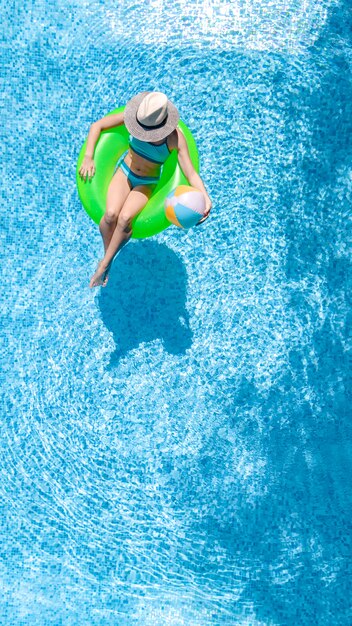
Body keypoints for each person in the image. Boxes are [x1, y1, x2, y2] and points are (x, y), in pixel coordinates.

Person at [78, 91, 212, 288]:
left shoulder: (174, 138)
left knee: (124, 219)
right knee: (110, 215)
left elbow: (190, 173)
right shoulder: (134, 119)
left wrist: (205, 197)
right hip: (125, 172)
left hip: (146, 183)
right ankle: (108, 260)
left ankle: (104, 265)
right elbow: (97, 125)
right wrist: (89, 156)